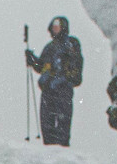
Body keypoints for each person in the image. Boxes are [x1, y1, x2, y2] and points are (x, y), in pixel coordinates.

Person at [25, 17, 83, 147]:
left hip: (63, 88)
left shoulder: (71, 43)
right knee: (47, 121)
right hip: (48, 89)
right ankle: (50, 149)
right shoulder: (49, 47)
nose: (55, 29)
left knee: (63, 120)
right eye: (54, 26)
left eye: (58, 26)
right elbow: (41, 67)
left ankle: (62, 148)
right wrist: (32, 59)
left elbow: (74, 61)